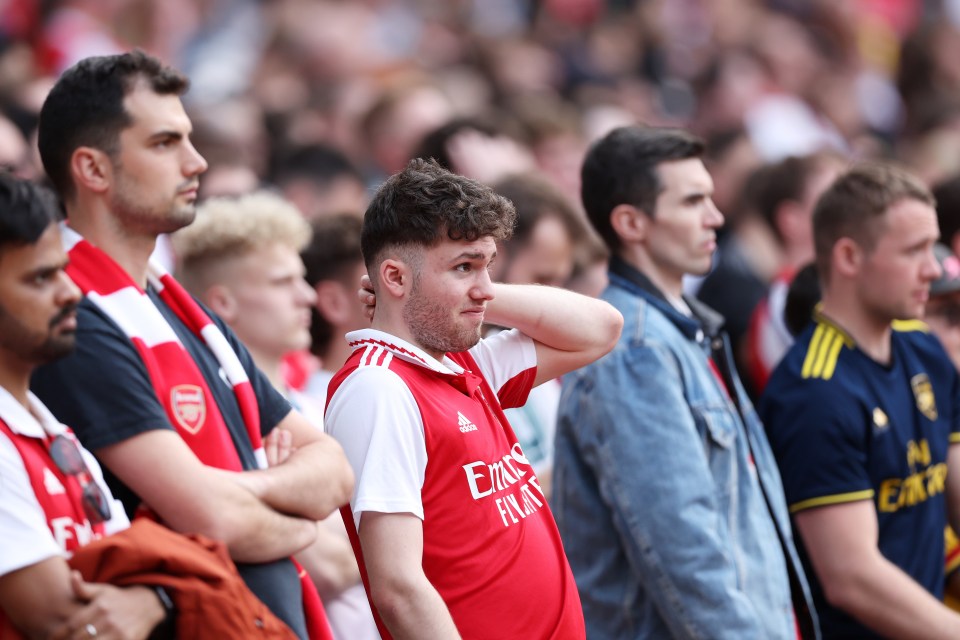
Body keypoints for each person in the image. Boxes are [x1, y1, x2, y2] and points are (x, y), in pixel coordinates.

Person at [30, 50, 354, 639]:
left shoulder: (181, 306)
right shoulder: (72, 313)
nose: (196, 161)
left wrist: (241, 498)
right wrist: (291, 516)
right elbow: (212, 518)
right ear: (93, 169)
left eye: (190, 139)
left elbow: (333, 471)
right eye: (164, 143)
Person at [324, 158, 623, 639]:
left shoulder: (466, 363)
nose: (483, 289)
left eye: (487, 266)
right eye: (463, 267)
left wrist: (477, 289)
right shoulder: (378, 387)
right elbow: (398, 588)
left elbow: (600, 329)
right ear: (395, 278)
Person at [553, 125, 818, 639]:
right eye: (694, 201)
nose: (716, 216)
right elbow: (682, 548)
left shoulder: (681, 330)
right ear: (630, 222)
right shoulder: (637, 353)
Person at [759, 163, 960, 638]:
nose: (933, 269)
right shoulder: (814, 390)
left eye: (932, 248)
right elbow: (853, 579)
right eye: (914, 251)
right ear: (849, 256)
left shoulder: (923, 346)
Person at [171, 191, 379, 640]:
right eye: (283, 282)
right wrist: (303, 501)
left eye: (302, 279)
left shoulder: (315, 404)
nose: (307, 297)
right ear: (222, 303)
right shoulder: (208, 424)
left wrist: (271, 510)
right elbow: (339, 565)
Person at [0, 174, 167, 639]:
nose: (70, 292)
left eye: (63, 269)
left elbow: (147, 567)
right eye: (40, 277)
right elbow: (65, 619)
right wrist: (161, 594)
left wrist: (155, 597)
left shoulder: (51, 429)